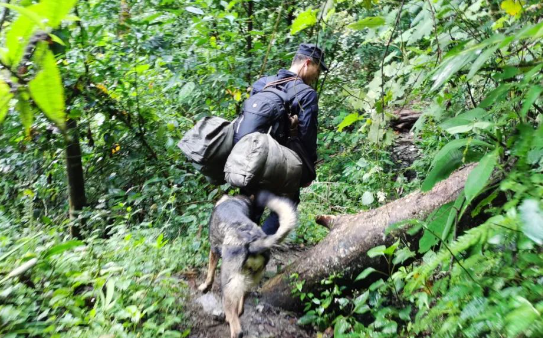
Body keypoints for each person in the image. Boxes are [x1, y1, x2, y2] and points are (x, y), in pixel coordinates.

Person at [235, 43, 327, 235]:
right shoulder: (307, 94)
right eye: (317, 71)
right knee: (287, 207)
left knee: (251, 207)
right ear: (307, 64)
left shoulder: (262, 84)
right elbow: (307, 136)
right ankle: (258, 249)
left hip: (251, 158)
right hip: (281, 164)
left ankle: (240, 253)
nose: (316, 77)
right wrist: (307, 170)